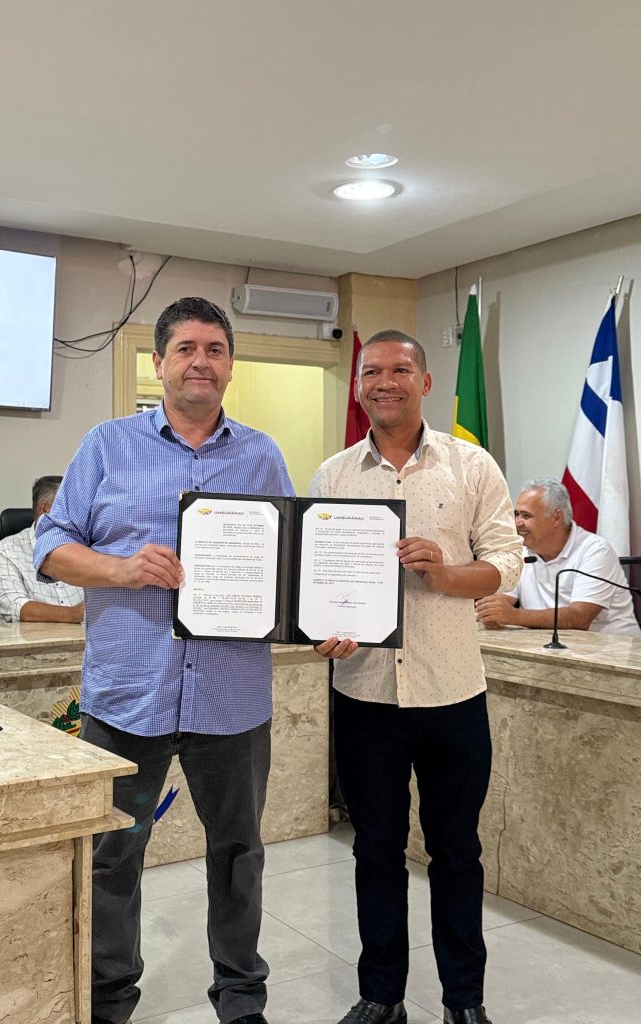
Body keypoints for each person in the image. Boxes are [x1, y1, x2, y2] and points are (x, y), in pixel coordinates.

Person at [34, 297, 294, 1024]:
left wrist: (330, 616)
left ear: (231, 366)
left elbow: (290, 561)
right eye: (185, 349)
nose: (200, 362)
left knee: (238, 852)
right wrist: (121, 570)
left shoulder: (262, 455)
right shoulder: (107, 445)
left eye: (215, 349)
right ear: (158, 363)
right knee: (114, 856)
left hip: (232, 699)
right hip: (127, 695)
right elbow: (50, 547)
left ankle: (240, 997)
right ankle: (108, 999)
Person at [309, 329, 522, 1024]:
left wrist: (446, 573)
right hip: (364, 694)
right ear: (358, 386)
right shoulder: (333, 475)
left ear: (425, 382)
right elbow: (315, 579)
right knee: (375, 851)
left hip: (451, 693)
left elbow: (507, 563)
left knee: (456, 853)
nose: (385, 382)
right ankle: (382, 996)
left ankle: (464, 1001)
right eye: (372, 371)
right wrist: (321, 629)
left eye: (400, 370)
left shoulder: (471, 465)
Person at [476, 477, 640, 636]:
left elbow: (580, 618)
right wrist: (491, 611)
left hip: (612, 648)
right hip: (546, 645)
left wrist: (514, 616)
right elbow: (502, 600)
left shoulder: (595, 551)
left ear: (556, 517)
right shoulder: (522, 552)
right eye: (516, 514)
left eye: (526, 516)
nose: (517, 523)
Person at [0, 475, 84, 623]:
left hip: (86, 635)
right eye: (71, 508)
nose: (79, 516)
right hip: (30, 637)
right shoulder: (6, 551)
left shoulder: (85, 546)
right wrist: (72, 615)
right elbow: (11, 606)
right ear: (45, 509)